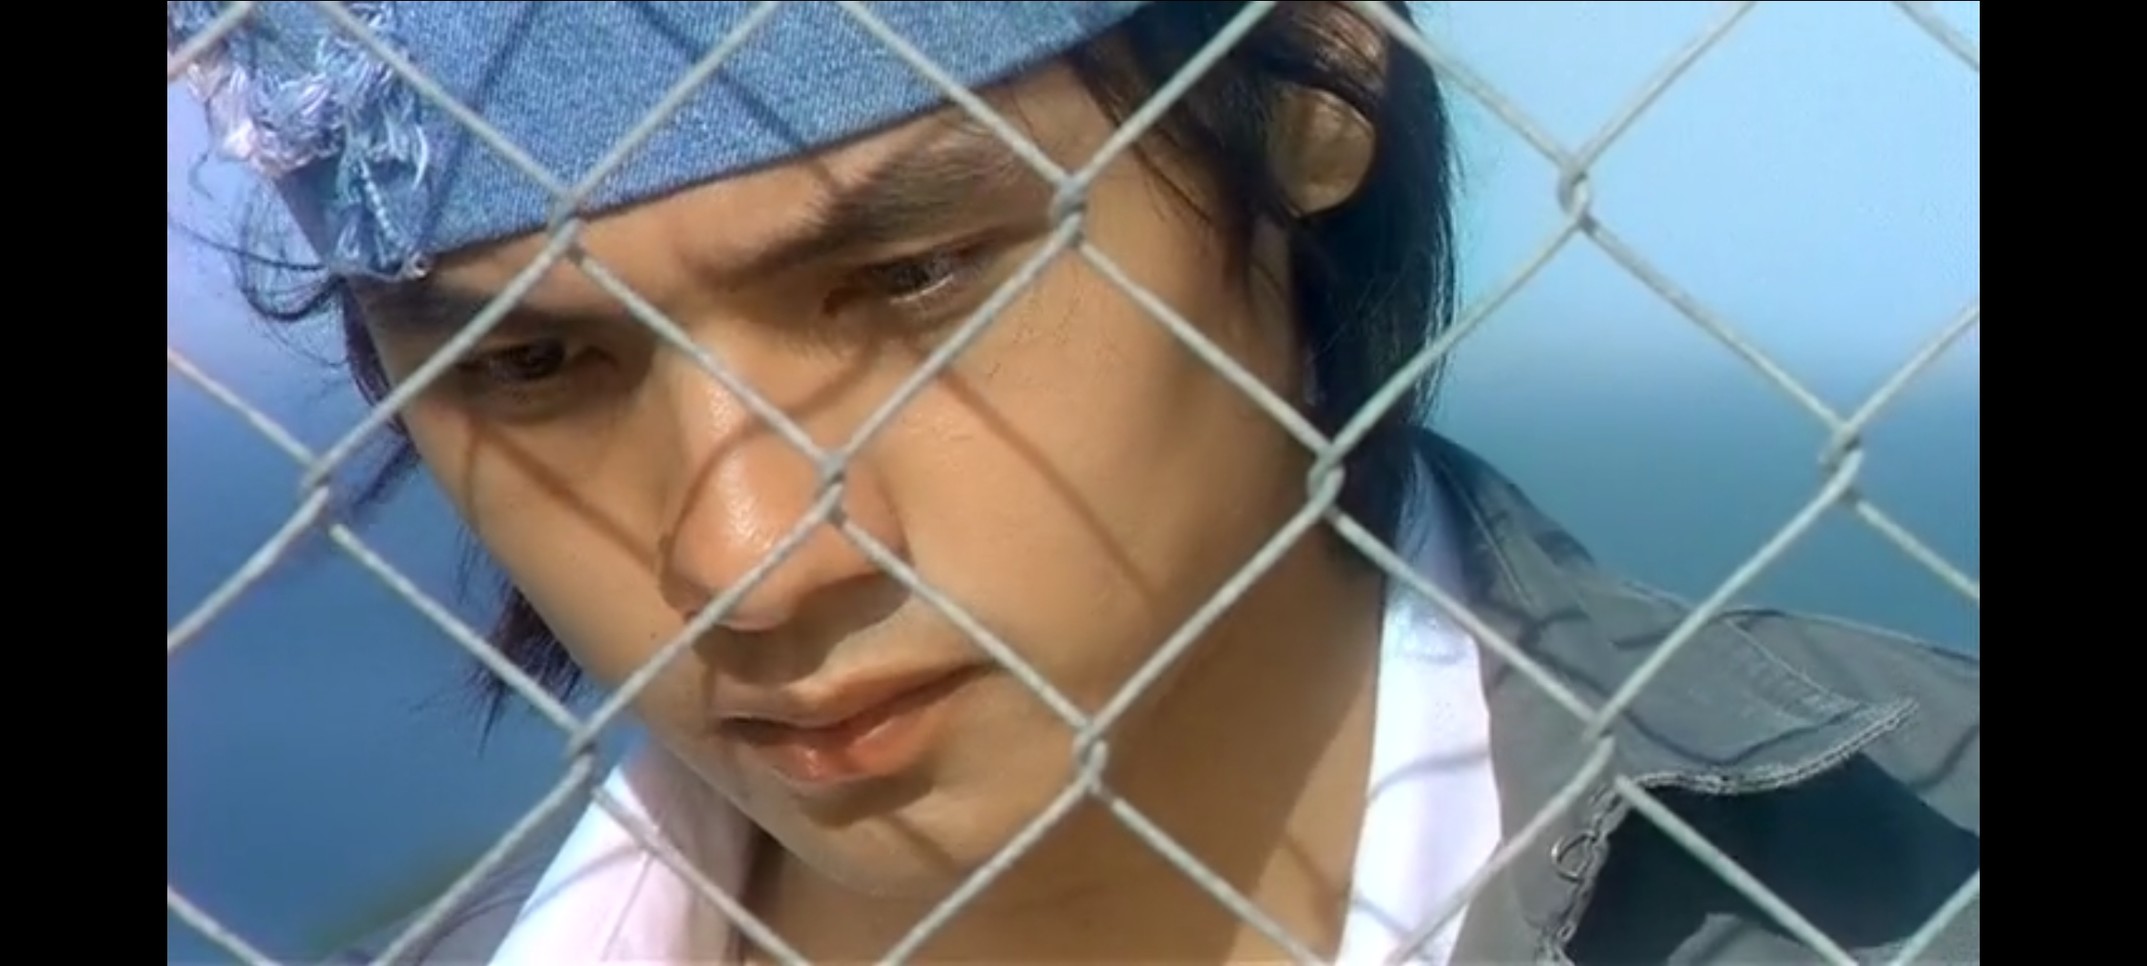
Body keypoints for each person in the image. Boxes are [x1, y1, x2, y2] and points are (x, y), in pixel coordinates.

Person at [168, 1, 1980, 963]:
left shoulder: (1921, 865)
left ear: (1310, 97)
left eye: (910, 278)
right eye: (533, 364)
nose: (750, 555)